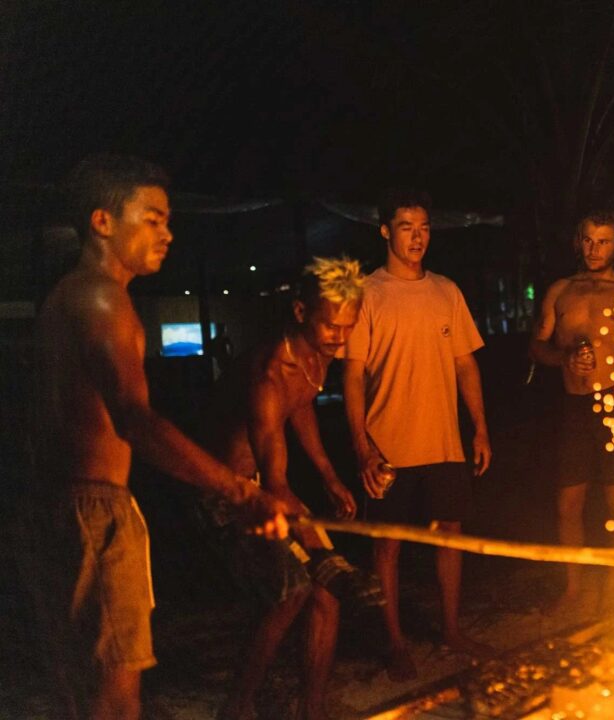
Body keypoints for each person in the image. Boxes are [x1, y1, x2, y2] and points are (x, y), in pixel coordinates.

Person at [23, 154, 287, 720]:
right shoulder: (100, 297)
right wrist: (239, 491)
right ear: (103, 222)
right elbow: (134, 419)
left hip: (58, 508)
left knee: (81, 690)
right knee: (115, 700)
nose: (168, 233)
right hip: (93, 512)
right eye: (153, 218)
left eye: (168, 221)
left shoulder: (66, 297)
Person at [198, 256, 365, 720]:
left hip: (268, 486)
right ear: (299, 312)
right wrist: (320, 550)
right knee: (291, 591)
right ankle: (239, 705)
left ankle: (312, 710)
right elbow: (274, 483)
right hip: (230, 495)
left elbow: (303, 405)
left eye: (349, 326)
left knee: (326, 597)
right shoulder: (269, 374)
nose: (340, 337)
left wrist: (330, 476)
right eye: (332, 326)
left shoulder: (319, 354)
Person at [344, 189, 492, 681]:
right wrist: (363, 448)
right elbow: (352, 375)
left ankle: (450, 629)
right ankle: (394, 641)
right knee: (388, 545)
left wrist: (480, 429)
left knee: (450, 535)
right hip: (389, 446)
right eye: (406, 226)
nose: (417, 236)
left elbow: (466, 365)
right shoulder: (367, 293)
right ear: (385, 230)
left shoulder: (446, 291)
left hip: (445, 442)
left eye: (424, 227)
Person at [529, 211, 614, 615]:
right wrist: (564, 357)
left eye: (603, 241)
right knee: (568, 503)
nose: (595, 249)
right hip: (574, 406)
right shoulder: (561, 291)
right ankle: (573, 588)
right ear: (580, 242)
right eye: (588, 241)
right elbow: (536, 347)